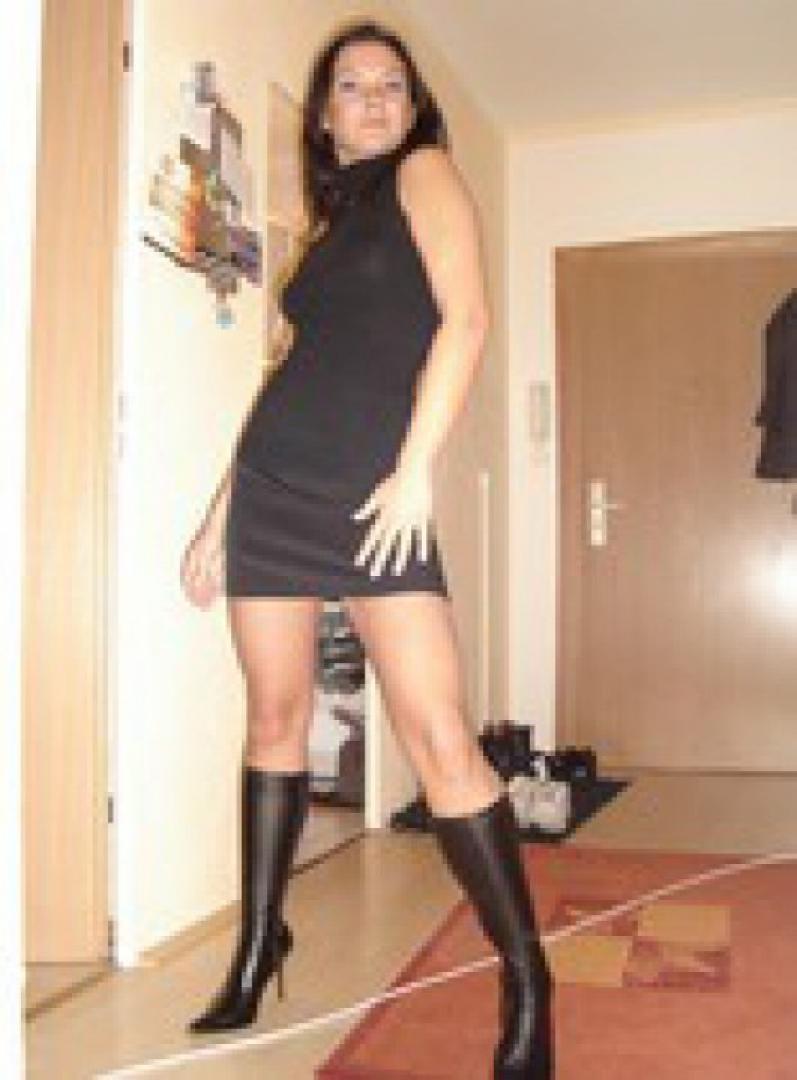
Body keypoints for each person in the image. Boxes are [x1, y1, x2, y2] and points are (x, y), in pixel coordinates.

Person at [179, 18, 554, 1078]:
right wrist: (217, 513)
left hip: (379, 494)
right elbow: (287, 373)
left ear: (412, 106)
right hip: (272, 488)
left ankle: (525, 975)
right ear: (327, 118)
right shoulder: (325, 227)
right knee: (274, 719)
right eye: (352, 85)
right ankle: (260, 942)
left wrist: (417, 470)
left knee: (438, 739)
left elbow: (465, 321)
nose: (375, 97)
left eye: (392, 83)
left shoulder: (424, 175)